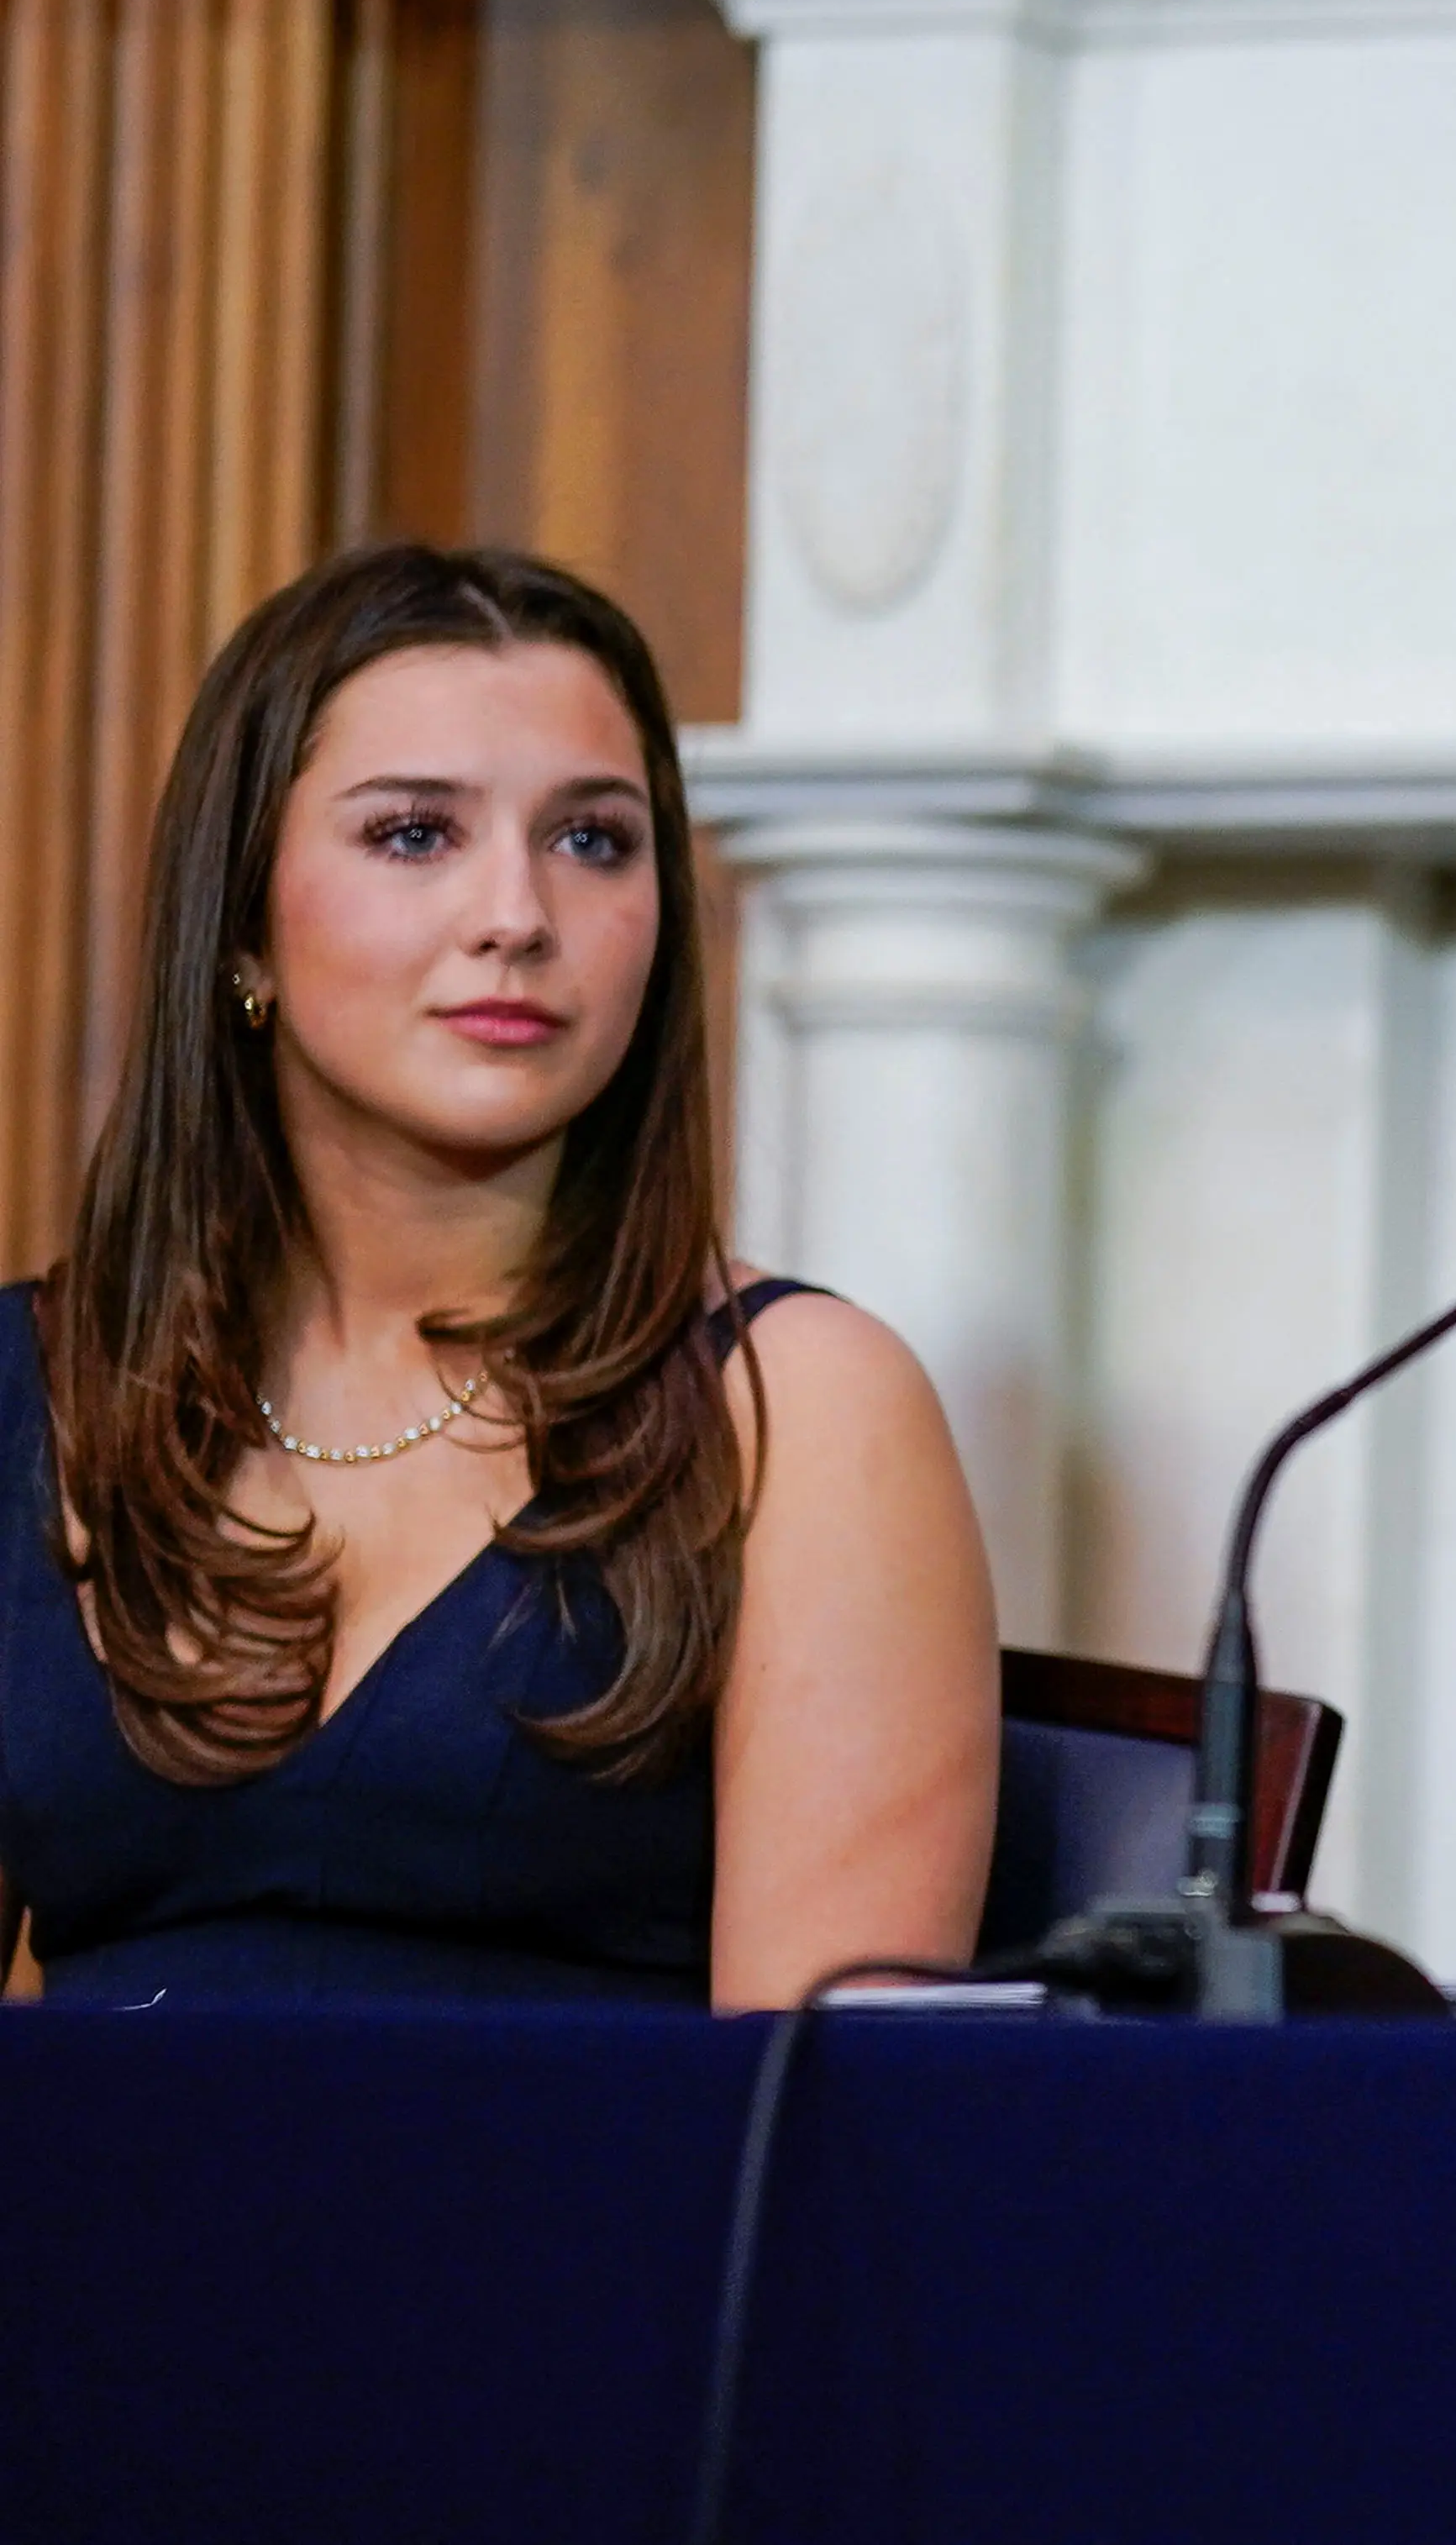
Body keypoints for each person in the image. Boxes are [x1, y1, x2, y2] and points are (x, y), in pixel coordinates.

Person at [0, 545, 996, 2009]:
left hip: (599, 2169)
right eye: (415, 834)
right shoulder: (36, 1387)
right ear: (242, 925)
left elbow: (825, 2108)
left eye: (593, 839)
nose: (517, 915)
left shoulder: (803, 1407)